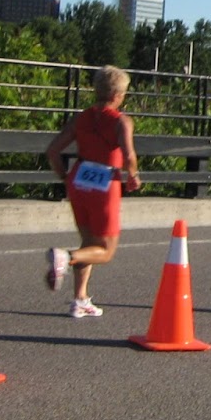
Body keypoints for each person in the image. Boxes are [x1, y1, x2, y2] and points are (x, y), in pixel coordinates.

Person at [43, 65, 142, 318]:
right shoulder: (121, 121)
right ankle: (65, 257)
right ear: (118, 95)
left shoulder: (81, 118)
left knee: (89, 242)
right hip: (105, 183)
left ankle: (80, 299)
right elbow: (129, 156)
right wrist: (133, 175)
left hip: (79, 178)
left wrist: (64, 177)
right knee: (106, 251)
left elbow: (53, 150)